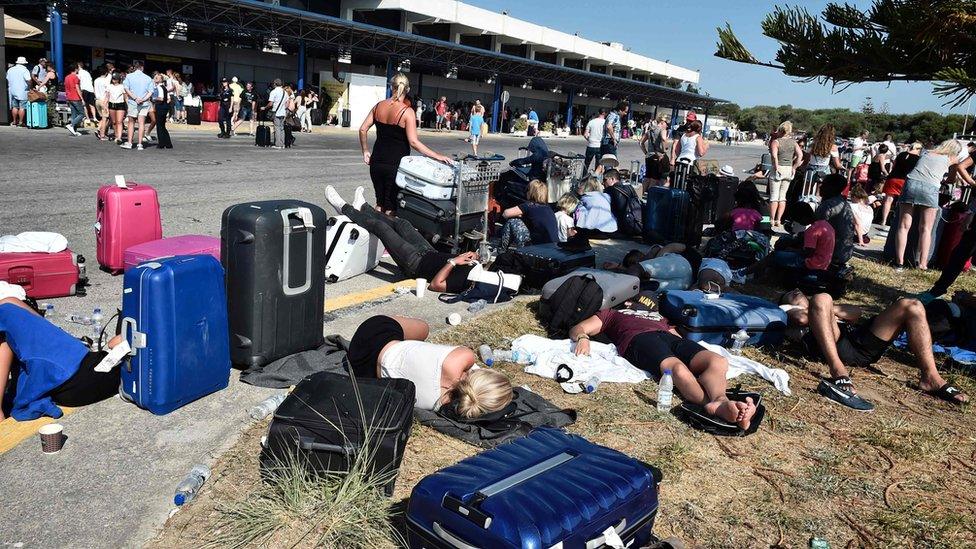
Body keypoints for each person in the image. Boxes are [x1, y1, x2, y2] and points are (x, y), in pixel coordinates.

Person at [569, 308, 756, 429]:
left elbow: (676, 335)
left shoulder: (660, 315)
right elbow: (579, 327)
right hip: (638, 339)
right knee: (677, 369)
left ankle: (721, 399)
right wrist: (583, 338)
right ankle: (714, 407)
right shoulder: (611, 313)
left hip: (669, 337)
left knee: (718, 361)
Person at [780, 290, 967, 410]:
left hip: (856, 340)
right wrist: (819, 308)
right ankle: (838, 371)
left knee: (912, 305)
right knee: (822, 297)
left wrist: (826, 310)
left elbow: (856, 312)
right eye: (791, 292)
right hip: (830, 346)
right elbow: (802, 319)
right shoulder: (785, 308)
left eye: (799, 291)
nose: (796, 291)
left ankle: (931, 378)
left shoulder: (821, 306)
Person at [325, 185, 483, 293]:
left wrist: (454, 261)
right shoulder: (480, 271)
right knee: (403, 223)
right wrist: (473, 257)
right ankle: (363, 207)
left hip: (415, 264)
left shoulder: (469, 285)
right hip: (429, 252)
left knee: (382, 229)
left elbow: (435, 285)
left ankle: (344, 208)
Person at [347, 315, 513, 415]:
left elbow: (473, 368)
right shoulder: (441, 406)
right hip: (363, 370)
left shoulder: (462, 358)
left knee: (424, 328)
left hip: (373, 336)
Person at [0, 297, 123, 421]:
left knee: (7, 317)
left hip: (71, 385)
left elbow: (113, 343)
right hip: (85, 379)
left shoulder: (7, 314)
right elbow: (114, 343)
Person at [359, 72, 452, 214]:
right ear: (407, 90)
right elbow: (414, 142)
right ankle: (385, 235)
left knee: (380, 203)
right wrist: (437, 155)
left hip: (376, 162)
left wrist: (365, 151)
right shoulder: (407, 112)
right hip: (396, 166)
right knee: (391, 208)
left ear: (391, 87)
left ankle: (375, 232)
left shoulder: (378, 106)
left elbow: (362, 129)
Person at [893, 140, 966, 271]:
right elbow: (951, 179)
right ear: (956, 151)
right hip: (930, 188)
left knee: (903, 226)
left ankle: (899, 263)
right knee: (926, 228)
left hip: (911, 183)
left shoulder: (926, 152)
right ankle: (922, 264)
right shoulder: (952, 158)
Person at [731, 203, 834, 284]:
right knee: (782, 254)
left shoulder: (812, 230)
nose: (798, 222)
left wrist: (791, 250)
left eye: (797, 219)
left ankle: (743, 273)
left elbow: (807, 253)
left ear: (802, 216)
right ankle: (764, 277)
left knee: (774, 256)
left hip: (811, 263)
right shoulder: (825, 224)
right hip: (824, 262)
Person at [501, 180, 559, 248]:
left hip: (536, 247)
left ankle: (502, 249)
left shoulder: (529, 205)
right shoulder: (548, 208)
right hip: (553, 247)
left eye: (527, 190)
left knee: (513, 221)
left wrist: (519, 215)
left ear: (531, 192)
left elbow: (505, 213)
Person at [815, 173, 855, 268]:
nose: (820, 187)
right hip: (845, 252)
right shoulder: (844, 203)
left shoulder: (828, 205)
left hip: (832, 254)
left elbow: (816, 232)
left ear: (830, 187)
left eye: (823, 184)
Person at [768, 121, 802, 227]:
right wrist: (794, 167)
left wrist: (776, 166)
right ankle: (779, 219)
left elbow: (774, 156)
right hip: (788, 169)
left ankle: (772, 219)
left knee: (774, 196)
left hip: (778, 168)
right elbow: (800, 155)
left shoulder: (776, 142)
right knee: (783, 196)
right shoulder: (794, 143)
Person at [880, 142, 923, 226]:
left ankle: (884, 220)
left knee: (888, 200)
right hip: (905, 180)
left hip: (893, 178)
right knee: (902, 202)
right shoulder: (918, 159)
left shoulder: (901, 154)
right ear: (918, 149)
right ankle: (897, 220)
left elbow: (894, 165)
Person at [121, 60, 153, 150]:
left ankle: (130, 143)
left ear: (134, 67)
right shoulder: (148, 78)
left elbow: (126, 89)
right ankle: (140, 144)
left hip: (133, 102)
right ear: (142, 68)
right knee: (141, 123)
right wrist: (143, 99)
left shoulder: (129, 76)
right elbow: (150, 92)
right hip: (144, 102)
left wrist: (135, 98)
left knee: (131, 122)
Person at [603, 169, 643, 236]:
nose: (603, 183)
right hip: (635, 224)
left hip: (621, 227)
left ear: (612, 179)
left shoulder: (610, 190)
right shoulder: (630, 187)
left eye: (605, 180)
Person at [640, 115, 670, 189]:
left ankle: (640, 195)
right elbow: (663, 139)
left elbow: (641, 143)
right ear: (663, 122)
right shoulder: (662, 130)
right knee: (654, 179)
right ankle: (650, 197)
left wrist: (646, 152)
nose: (667, 125)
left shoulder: (650, 130)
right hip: (657, 156)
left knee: (647, 177)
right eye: (666, 123)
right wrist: (664, 150)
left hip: (649, 156)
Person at [5, 56, 31, 127]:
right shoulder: (25, 70)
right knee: (22, 107)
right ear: (24, 63)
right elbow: (28, 80)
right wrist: (30, 86)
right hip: (23, 91)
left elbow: (7, 79)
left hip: (13, 90)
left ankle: (14, 121)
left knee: (14, 107)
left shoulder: (10, 69)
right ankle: (20, 122)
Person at [151, 72, 173, 149]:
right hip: (165, 107)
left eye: (157, 78)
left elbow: (161, 98)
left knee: (160, 126)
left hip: (160, 107)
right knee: (162, 126)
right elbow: (168, 99)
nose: (155, 79)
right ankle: (168, 143)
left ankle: (161, 143)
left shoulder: (159, 87)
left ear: (160, 80)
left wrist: (153, 98)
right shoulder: (164, 87)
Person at [265, 79, 288, 149]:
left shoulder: (274, 92)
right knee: (282, 128)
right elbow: (287, 103)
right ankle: (282, 143)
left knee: (277, 128)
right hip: (283, 112)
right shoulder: (285, 92)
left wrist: (265, 107)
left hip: (276, 112)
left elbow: (270, 103)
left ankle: (278, 144)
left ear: (275, 84)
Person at [64, 64, 85, 137]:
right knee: (82, 114)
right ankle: (71, 125)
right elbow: (77, 88)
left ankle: (74, 130)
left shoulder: (66, 77)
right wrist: (82, 98)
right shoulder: (75, 77)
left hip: (69, 97)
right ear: (75, 69)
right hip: (76, 97)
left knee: (74, 114)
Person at [106, 73, 127, 144]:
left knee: (119, 121)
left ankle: (119, 137)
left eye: (116, 79)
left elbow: (125, 97)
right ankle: (116, 135)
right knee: (114, 122)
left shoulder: (122, 86)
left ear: (119, 79)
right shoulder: (109, 86)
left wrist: (128, 105)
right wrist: (105, 105)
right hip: (112, 104)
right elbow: (107, 96)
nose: (114, 80)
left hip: (120, 104)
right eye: (113, 79)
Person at [93, 64, 112, 140]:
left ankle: (99, 130)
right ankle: (102, 134)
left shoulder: (96, 80)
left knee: (103, 117)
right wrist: (106, 102)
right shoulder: (106, 81)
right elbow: (108, 92)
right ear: (106, 72)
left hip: (97, 100)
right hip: (104, 101)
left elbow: (94, 90)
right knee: (105, 119)